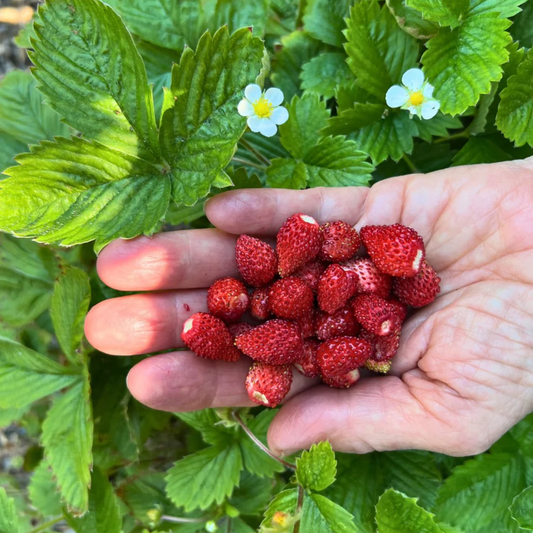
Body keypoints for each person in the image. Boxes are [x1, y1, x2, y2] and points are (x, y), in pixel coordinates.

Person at [85, 159, 533, 457]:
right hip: (295, 312)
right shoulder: (301, 295)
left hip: (319, 312)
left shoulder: (352, 287)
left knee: (333, 292)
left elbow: (339, 301)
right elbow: (303, 304)